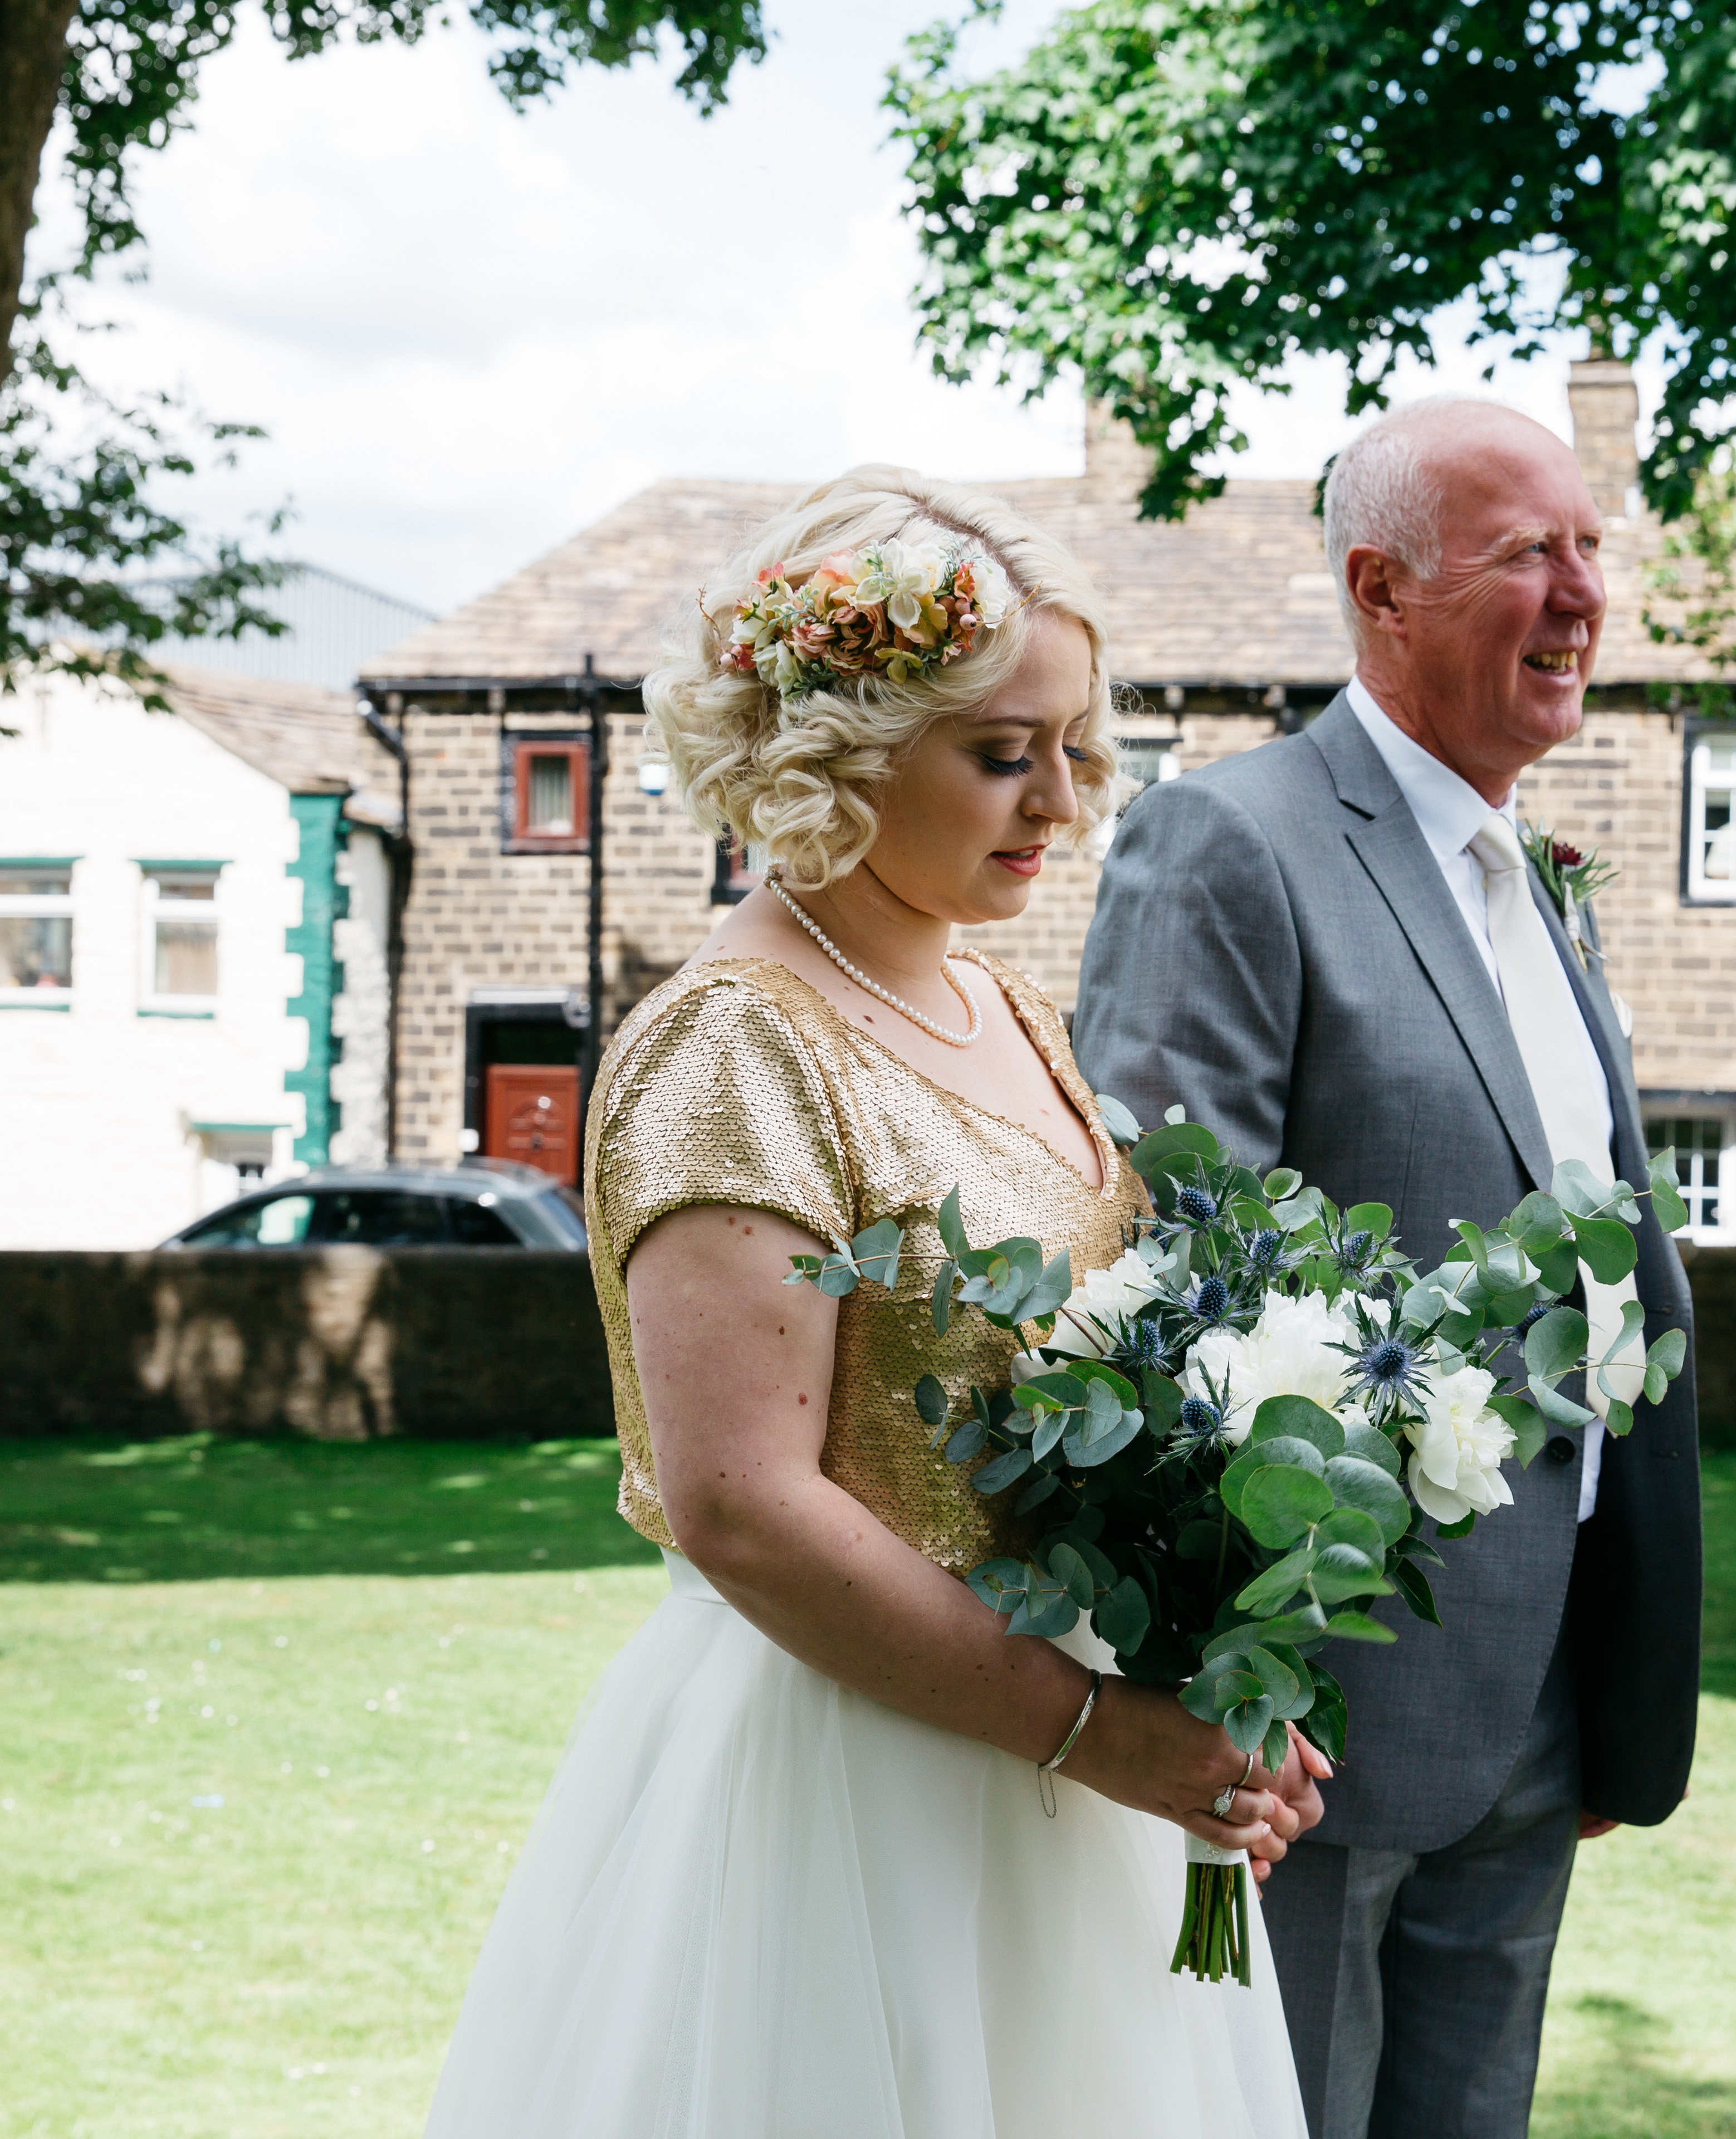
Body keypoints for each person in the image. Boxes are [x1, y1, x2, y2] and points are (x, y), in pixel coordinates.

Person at [424, 469, 1322, 2139]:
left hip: (1079, 1778)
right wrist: (1093, 1733)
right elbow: (742, 1508)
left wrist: (1213, 1665)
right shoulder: (732, 1038)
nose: (1061, 799)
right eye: (1002, 754)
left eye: (1072, 747)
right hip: (842, 1788)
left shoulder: (1002, 1005)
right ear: (836, 747)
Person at [1072, 399, 1705, 2139]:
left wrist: (1604, 1668)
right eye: (1530, 554)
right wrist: (1225, 1676)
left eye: (1591, 547)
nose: (1585, 592)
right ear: (1382, 588)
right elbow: (1168, 1280)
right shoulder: (1233, 844)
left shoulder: (1539, 881)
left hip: (1546, 1690)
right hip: (1319, 1713)